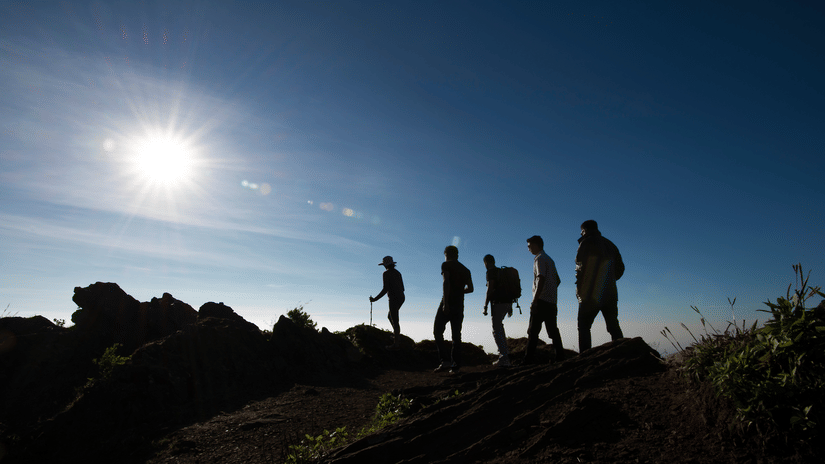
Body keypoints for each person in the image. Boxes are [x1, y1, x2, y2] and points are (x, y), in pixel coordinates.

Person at [576, 220, 625, 352]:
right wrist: (609, 280)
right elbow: (621, 268)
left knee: (584, 326)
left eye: (581, 231)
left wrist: (579, 290)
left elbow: (580, 269)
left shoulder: (585, 243)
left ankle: (585, 358)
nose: (581, 234)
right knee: (613, 325)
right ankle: (622, 353)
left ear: (584, 230)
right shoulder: (610, 244)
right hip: (611, 293)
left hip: (591, 293)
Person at [523, 235, 565, 364]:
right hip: (552, 301)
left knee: (533, 332)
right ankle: (560, 357)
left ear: (536, 245)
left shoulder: (539, 259)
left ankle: (527, 361)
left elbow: (540, 278)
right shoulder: (549, 259)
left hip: (541, 301)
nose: (528, 249)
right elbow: (558, 280)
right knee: (553, 330)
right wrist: (550, 292)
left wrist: (535, 300)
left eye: (529, 246)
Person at [433, 245, 473, 373]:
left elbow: (446, 282)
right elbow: (471, 289)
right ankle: (455, 366)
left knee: (437, 331)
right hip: (459, 304)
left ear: (446, 254)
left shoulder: (446, 265)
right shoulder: (466, 270)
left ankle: (445, 361)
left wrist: (445, 303)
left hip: (448, 302)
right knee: (456, 335)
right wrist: (459, 291)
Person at [370, 256, 405, 350]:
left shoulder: (386, 273)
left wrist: (375, 299)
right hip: (401, 297)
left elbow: (385, 289)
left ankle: (396, 344)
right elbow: (403, 288)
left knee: (394, 319)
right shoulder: (398, 273)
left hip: (393, 298)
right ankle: (396, 336)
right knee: (391, 316)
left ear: (385, 265)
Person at [483, 254, 512, 367]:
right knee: (499, 327)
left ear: (486, 262)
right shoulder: (501, 271)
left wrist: (485, 305)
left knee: (496, 329)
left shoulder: (491, 272)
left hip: (498, 303)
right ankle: (505, 355)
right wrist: (509, 307)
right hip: (507, 302)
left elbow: (490, 289)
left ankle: (504, 357)